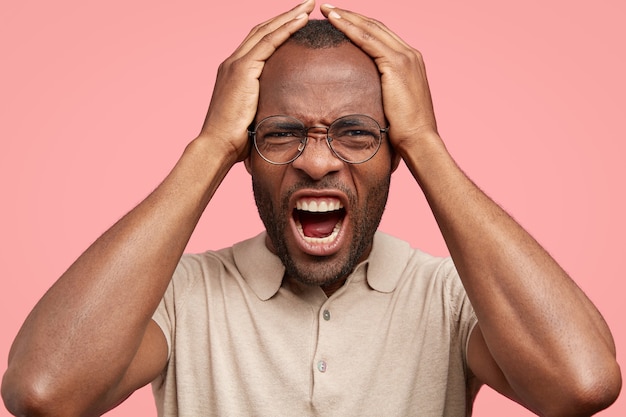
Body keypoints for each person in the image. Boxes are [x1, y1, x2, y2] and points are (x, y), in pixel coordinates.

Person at [1, 1, 621, 416]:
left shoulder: (452, 296)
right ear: (245, 153)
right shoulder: (180, 294)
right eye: (278, 134)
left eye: (357, 134)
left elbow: (581, 384)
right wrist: (211, 144)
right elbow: (43, 392)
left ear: (394, 151)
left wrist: (427, 143)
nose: (318, 162)